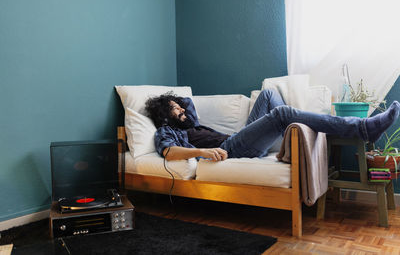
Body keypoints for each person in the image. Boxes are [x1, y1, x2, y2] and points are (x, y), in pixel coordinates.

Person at [145, 90, 400, 162]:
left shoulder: (190, 122)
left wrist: (177, 103)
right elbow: (168, 152)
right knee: (283, 113)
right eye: (174, 109)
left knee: (268, 95)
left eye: (180, 107)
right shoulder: (168, 131)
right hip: (231, 148)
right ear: (165, 117)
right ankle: (362, 129)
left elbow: (187, 105)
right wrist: (201, 152)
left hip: (239, 137)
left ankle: (290, 144)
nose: (181, 110)